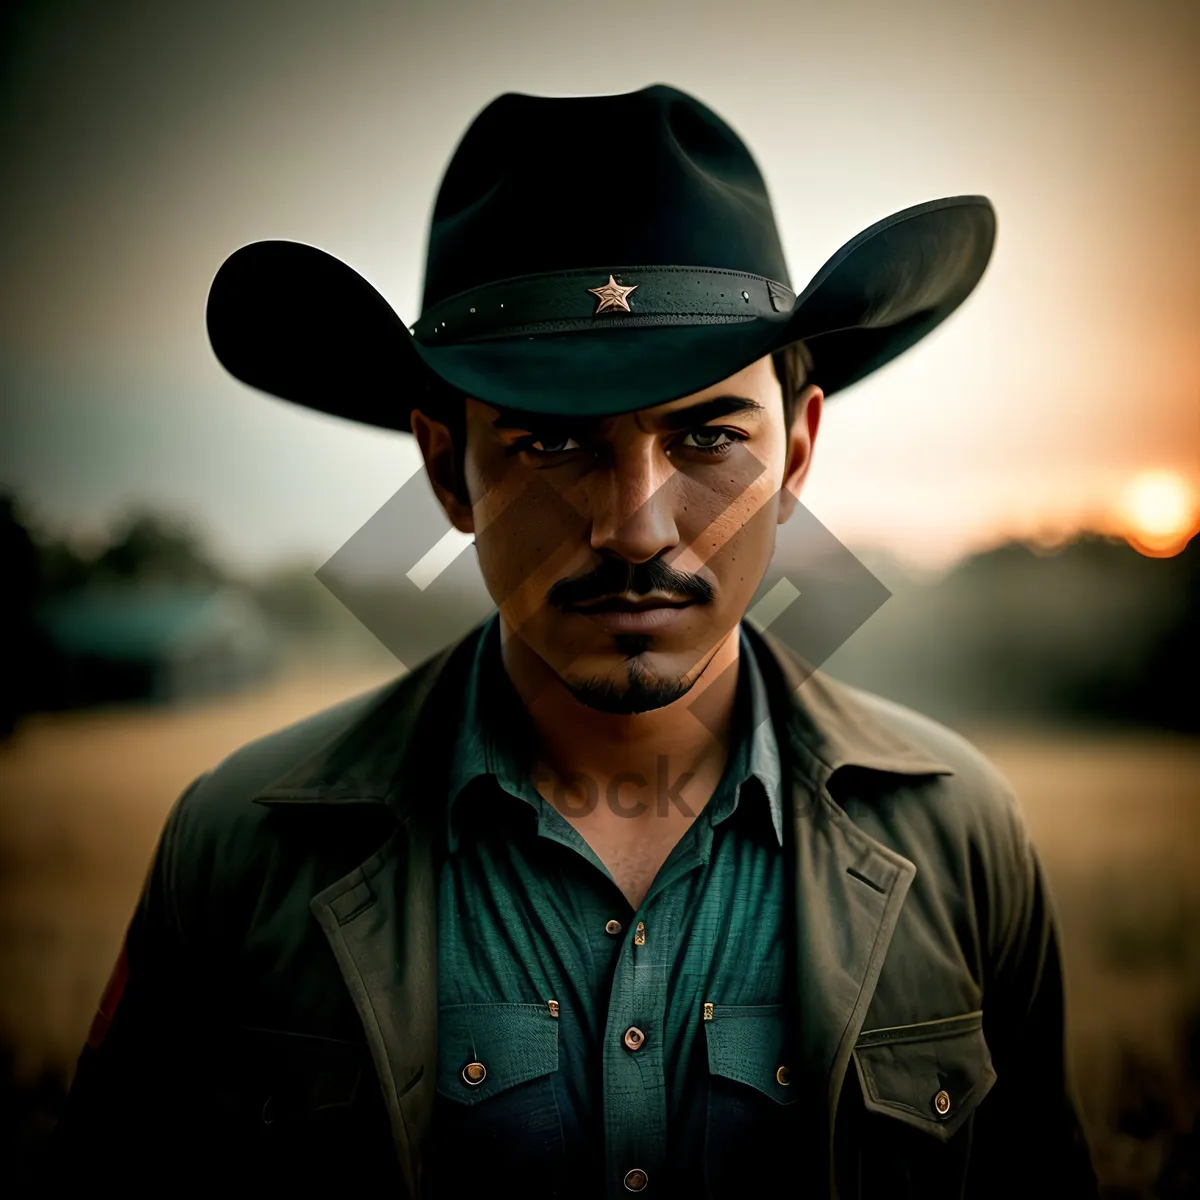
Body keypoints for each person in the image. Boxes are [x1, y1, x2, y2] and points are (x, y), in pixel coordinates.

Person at [51, 84, 1098, 1198]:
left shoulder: (963, 843)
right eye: (551, 442)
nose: (634, 525)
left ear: (795, 455)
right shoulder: (235, 853)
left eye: (705, 434)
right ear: (450, 470)